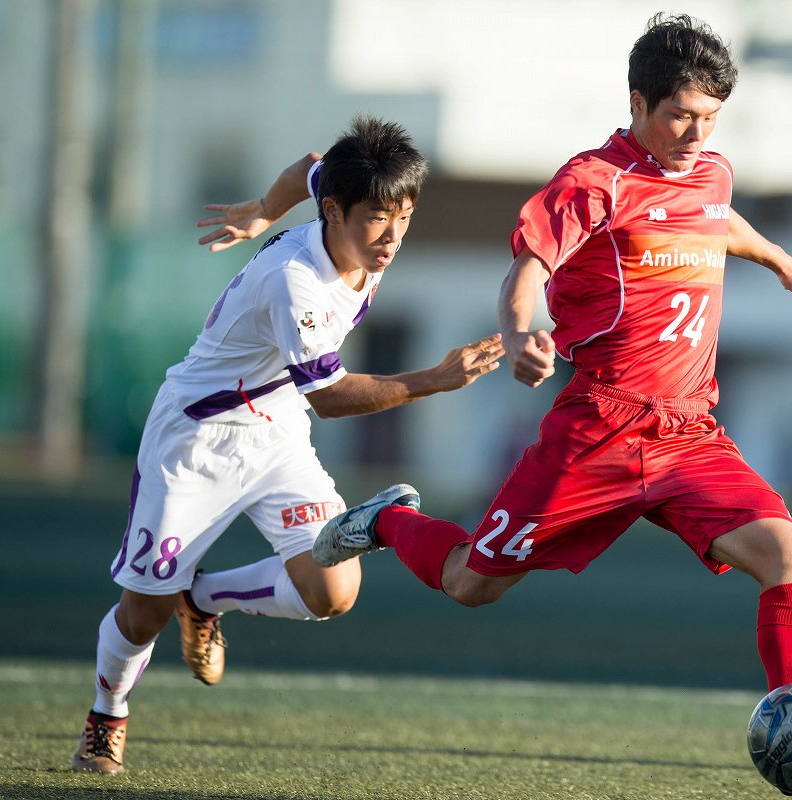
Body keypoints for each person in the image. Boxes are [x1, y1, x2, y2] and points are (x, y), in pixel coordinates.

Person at [312, 13, 792, 777]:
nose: (693, 133)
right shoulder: (593, 182)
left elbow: (717, 220)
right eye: (678, 114)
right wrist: (520, 334)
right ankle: (388, 520)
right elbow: (528, 268)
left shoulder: (711, 171)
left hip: (689, 435)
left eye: (709, 118)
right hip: (599, 431)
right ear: (637, 101)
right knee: (470, 584)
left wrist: (782, 259)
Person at [70, 116, 505, 774]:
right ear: (334, 211)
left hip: (275, 433)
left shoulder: (345, 212)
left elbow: (307, 163)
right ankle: (108, 716)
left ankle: (203, 599)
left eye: (405, 217)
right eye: (377, 218)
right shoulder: (296, 281)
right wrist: (434, 380)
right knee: (141, 615)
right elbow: (329, 397)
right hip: (196, 440)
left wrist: (260, 211)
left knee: (333, 589)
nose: (391, 237)